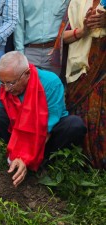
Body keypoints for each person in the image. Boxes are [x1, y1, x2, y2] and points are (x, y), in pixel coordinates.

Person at [0, 51, 87, 187]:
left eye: (11, 83)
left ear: (27, 74)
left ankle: (45, 162)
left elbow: (45, 129)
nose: (6, 89)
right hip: (17, 131)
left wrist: (25, 158)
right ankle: (11, 156)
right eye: (2, 82)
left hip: (44, 135)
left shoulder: (50, 83)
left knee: (74, 125)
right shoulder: (4, 84)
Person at [53, 0, 106, 169]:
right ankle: (83, 168)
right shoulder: (75, 3)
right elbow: (61, 38)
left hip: (102, 66)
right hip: (79, 70)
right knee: (82, 114)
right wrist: (84, 30)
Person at [14, 0, 70, 76]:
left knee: (54, 85)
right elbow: (19, 26)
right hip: (30, 53)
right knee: (29, 86)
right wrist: (20, 55)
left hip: (55, 52)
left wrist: (58, 49)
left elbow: (69, 21)